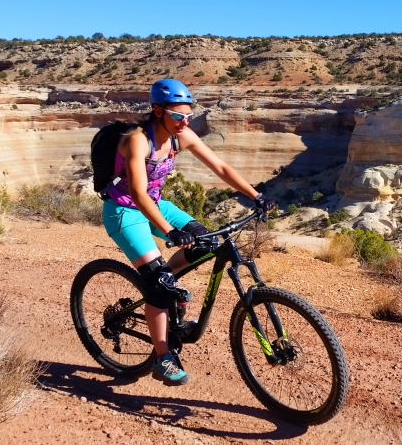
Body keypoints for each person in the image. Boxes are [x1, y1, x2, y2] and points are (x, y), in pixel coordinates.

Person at [101, 79, 275, 386]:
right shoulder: (138, 141)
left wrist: (255, 195)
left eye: (188, 116)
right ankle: (162, 356)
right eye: (178, 116)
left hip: (156, 204)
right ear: (158, 111)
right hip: (125, 211)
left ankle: (168, 290)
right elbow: (139, 194)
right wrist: (170, 231)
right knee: (159, 285)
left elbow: (220, 167)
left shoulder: (181, 136)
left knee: (206, 245)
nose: (185, 122)